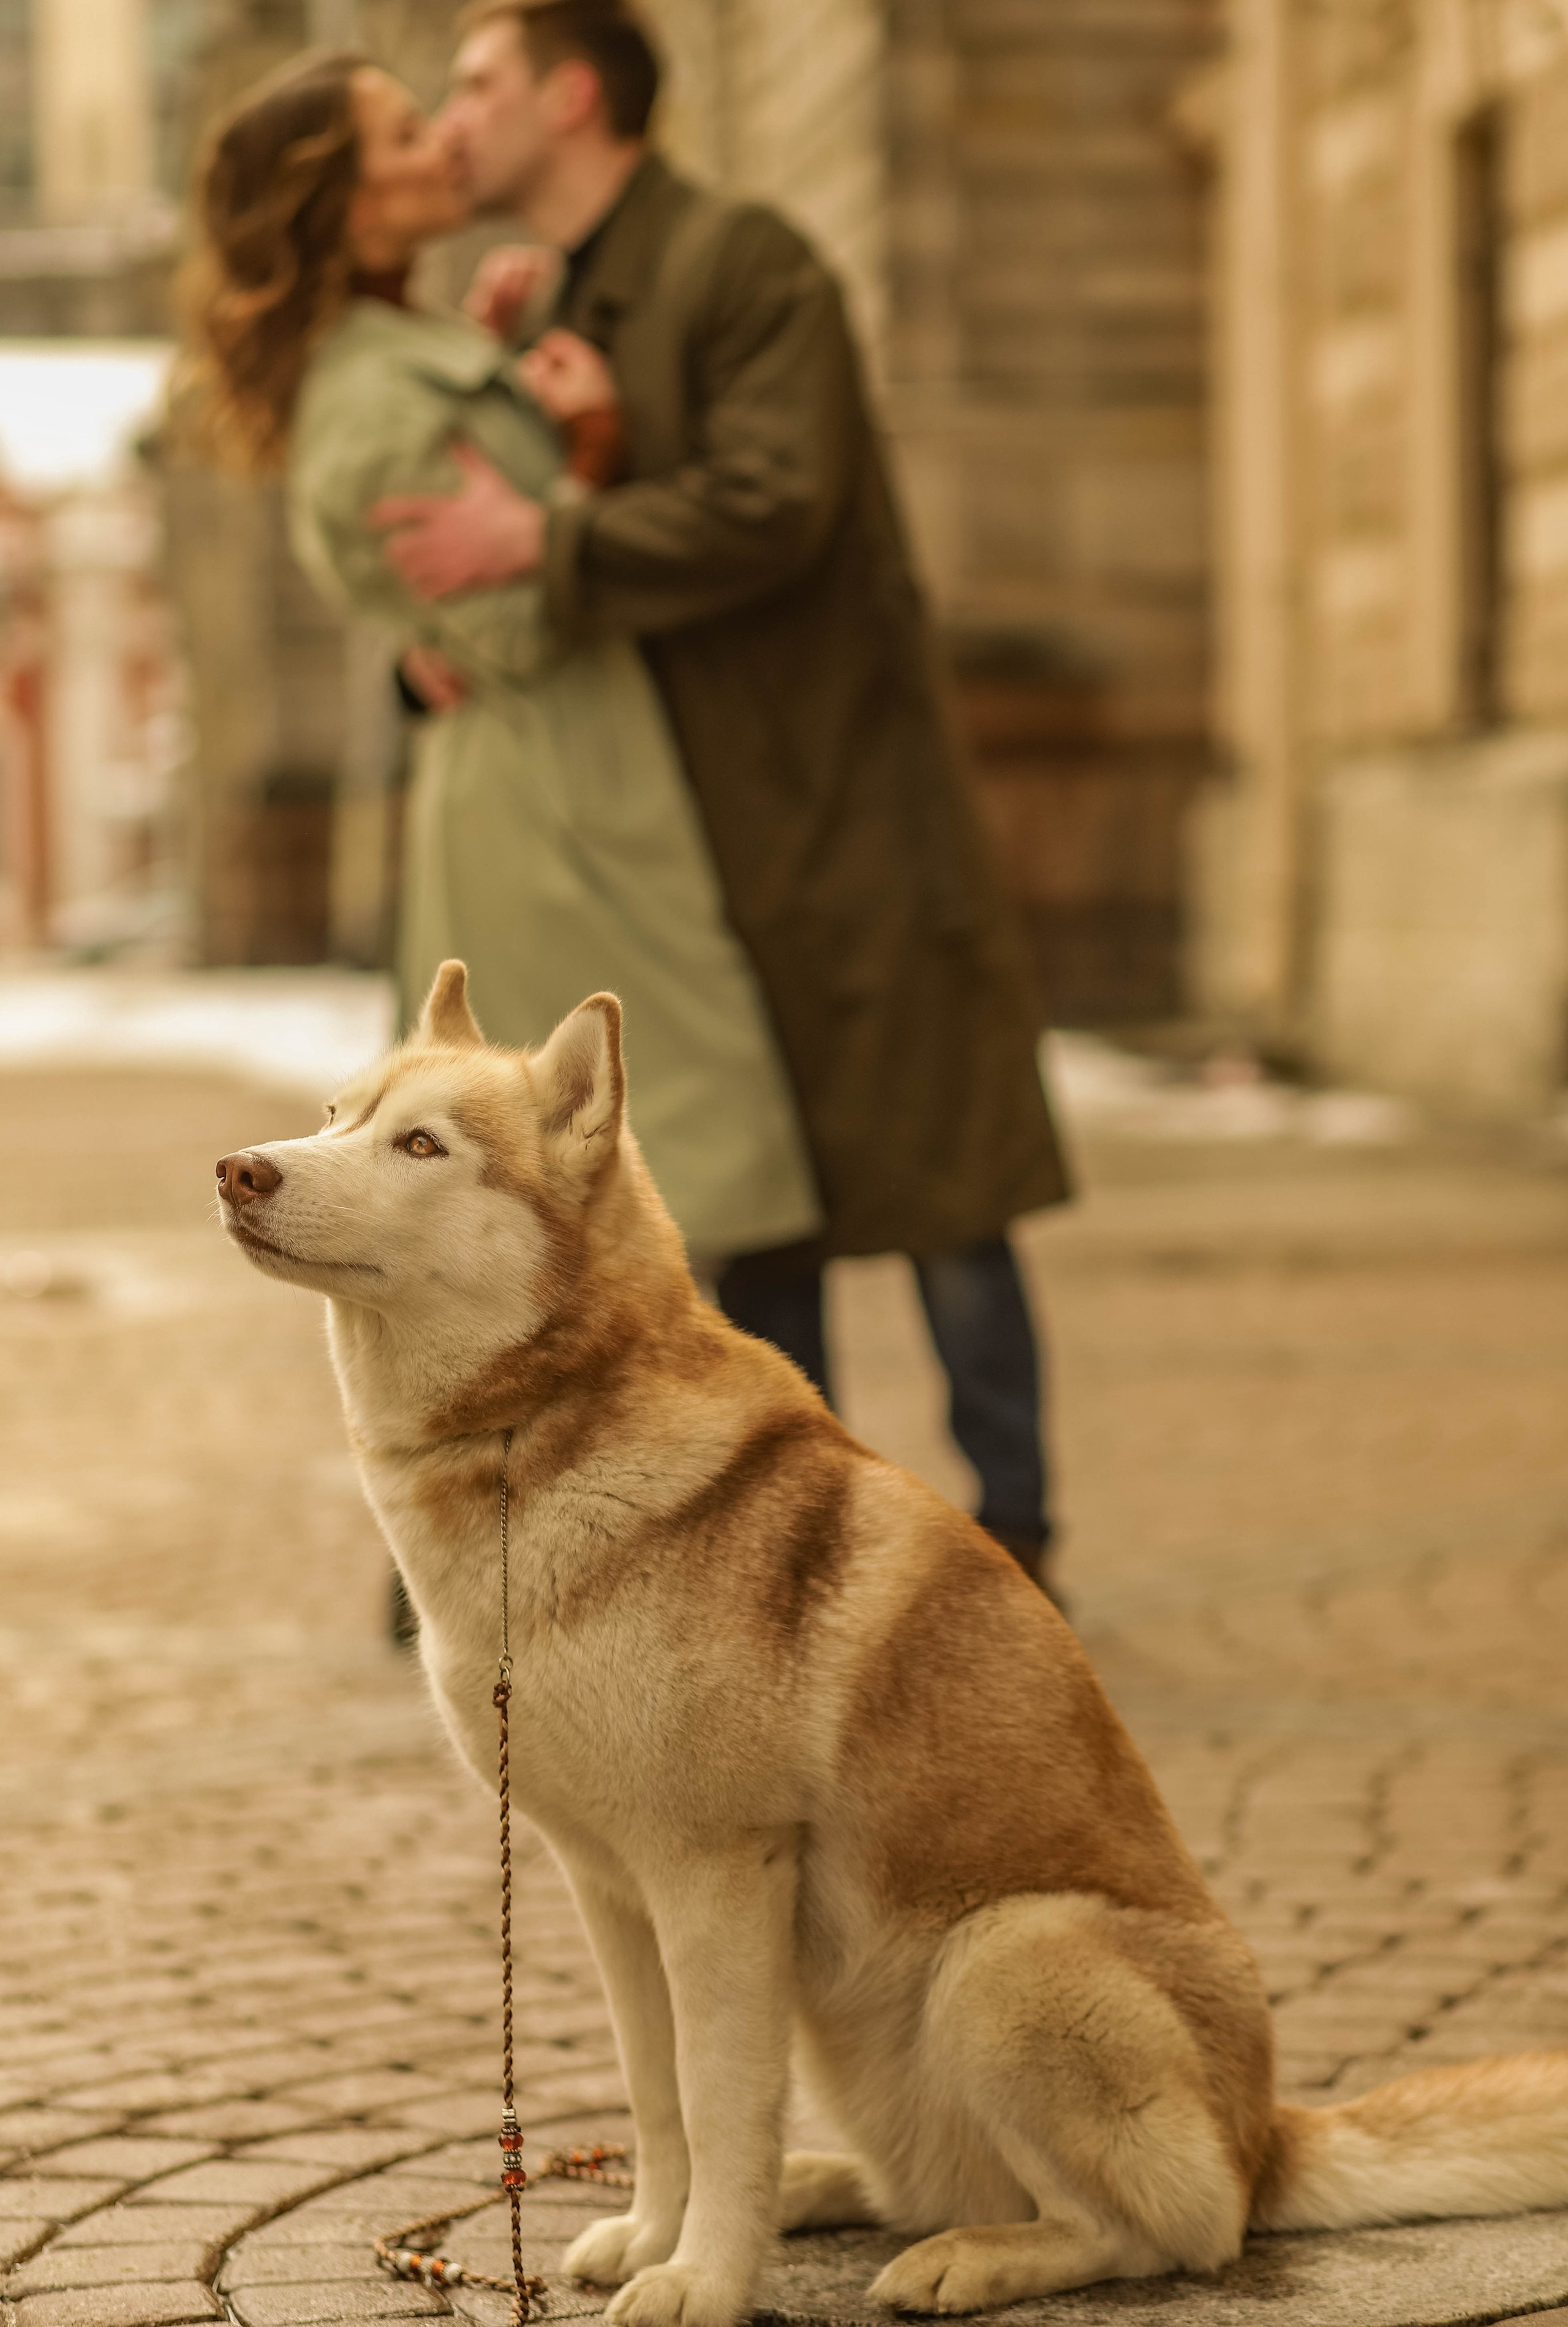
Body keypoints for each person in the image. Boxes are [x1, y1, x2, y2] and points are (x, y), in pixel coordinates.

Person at [372, 0, 1073, 1593]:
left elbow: (777, 500)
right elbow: (500, 543)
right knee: (750, 1203)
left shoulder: (744, 261)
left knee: (940, 1181)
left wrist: (539, 546)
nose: (451, 114)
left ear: (570, 94)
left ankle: (1021, 1531)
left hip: (832, 796)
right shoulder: (539, 294)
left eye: (478, 83)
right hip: (669, 826)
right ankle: (784, 1536)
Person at [184, 47, 822, 1280]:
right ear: (346, 203)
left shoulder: (412, 348)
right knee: (688, 1198)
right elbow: (518, 624)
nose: (446, 143)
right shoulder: (371, 405)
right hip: (554, 818)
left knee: (702, 1192)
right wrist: (586, 448)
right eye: (406, 136)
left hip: (577, 779)